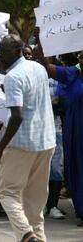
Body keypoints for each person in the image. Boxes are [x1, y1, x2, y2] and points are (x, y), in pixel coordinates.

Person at [0, 35, 55, 242]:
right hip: (45, 141)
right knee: (34, 201)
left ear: (17, 52)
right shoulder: (38, 68)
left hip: (22, 143)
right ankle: (38, 238)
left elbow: (17, 116)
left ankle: (26, 234)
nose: (0, 55)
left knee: (6, 192)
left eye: (4, 51)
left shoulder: (14, 76)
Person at [37, 48, 83, 227]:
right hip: (76, 128)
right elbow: (46, 66)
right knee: (77, 166)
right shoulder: (72, 74)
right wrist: (41, 43)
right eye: (81, 56)